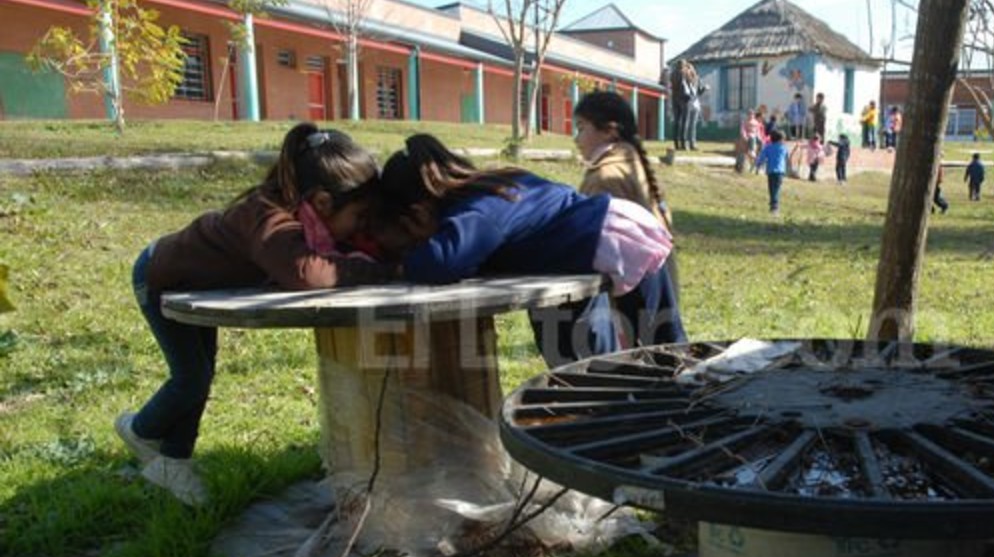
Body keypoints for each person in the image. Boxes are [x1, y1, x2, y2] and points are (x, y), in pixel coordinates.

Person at [116, 123, 395, 505]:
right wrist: (380, 271)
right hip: (159, 276)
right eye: (360, 217)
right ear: (324, 202)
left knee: (200, 374)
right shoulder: (265, 215)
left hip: (196, 283)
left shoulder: (304, 214)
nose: (360, 228)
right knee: (191, 377)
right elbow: (306, 273)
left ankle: (172, 460)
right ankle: (140, 430)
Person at [376, 133, 686, 366]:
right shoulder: (494, 183)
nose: (420, 246)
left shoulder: (478, 212)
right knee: (594, 346)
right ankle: (626, 399)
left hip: (614, 239)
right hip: (609, 234)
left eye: (413, 241)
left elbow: (442, 261)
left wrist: (395, 268)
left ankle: (687, 398)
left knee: (664, 346)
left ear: (417, 213)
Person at [573, 90, 686, 349]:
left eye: (581, 128)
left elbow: (599, 248)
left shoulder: (605, 177)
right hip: (658, 291)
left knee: (643, 374)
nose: (576, 139)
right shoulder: (630, 162)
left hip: (632, 298)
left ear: (609, 131)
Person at [756, 130, 790, 215]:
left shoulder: (768, 147)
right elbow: (787, 158)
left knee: (771, 189)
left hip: (770, 171)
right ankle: (774, 207)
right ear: (780, 140)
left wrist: (758, 164)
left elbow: (762, 157)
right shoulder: (784, 148)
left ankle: (773, 206)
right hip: (780, 172)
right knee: (776, 189)